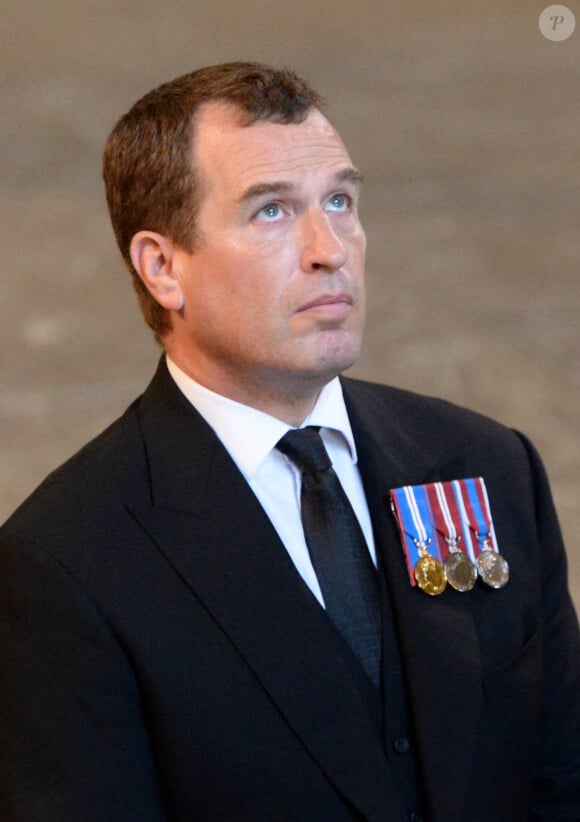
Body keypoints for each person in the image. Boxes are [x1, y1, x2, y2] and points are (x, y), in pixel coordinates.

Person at [0, 62, 579, 822]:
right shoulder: (67, 565)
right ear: (163, 267)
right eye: (272, 212)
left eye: (340, 201)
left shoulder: (488, 466)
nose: (329, 248)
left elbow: (559, 780)